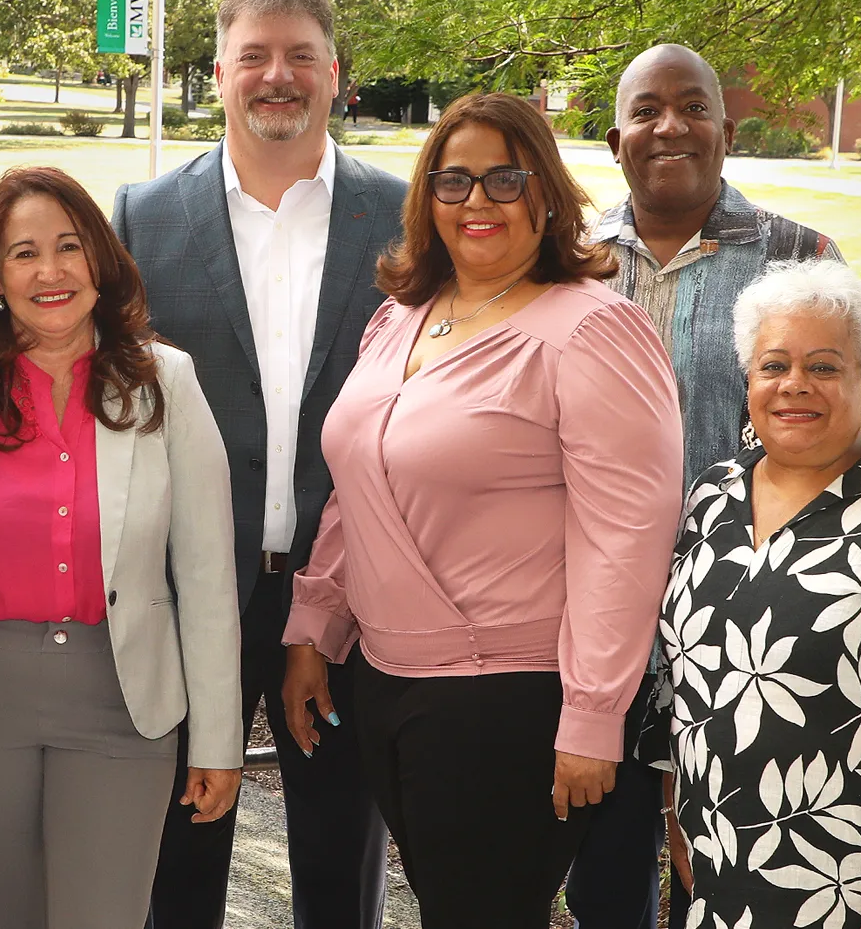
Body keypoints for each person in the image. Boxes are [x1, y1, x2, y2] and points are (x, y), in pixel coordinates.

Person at [279, 91, 683, 928]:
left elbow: (626, 541)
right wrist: (316, 626)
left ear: (547, 196)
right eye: (453, 180)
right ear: (427, 198)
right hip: (386, 685)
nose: (478, 201)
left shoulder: (593, 332)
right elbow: (359, 485)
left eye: (506, 179)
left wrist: (593, 716)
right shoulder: (400, 319)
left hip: (509, 702)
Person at [571, 41, 861, 929]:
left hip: (750, 636)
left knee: (729, 877)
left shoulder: (801, 257)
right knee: (603, 883)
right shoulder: (570, 258)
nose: (669, 126)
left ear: (727, 129)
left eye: (692, 107)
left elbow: (851, 437)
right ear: (615, 140)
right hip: (595, 627)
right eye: (646, 111)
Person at [0, 166, 242, 929]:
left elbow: (207, 572)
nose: (51, 271)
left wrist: (217, 737)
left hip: (122, 699)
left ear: (100, 261)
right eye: (24, 253)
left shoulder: (167, 381)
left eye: (69, 247)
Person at [112, 0, 402, 929]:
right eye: (254, 57)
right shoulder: (143, 218)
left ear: (336, 74)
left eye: (300, 56)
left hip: (353, 590)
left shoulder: (406, 218)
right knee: (179, 862)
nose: (278, 76)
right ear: (220, 72)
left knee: (339, 862)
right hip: (191, 586)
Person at [652, 260, 861, 929]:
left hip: (858, 881)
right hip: (719, 864)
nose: (794, 385)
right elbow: (681, 682)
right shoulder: (711, 499)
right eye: (773, 365)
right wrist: (674, 811)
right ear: (749, 381)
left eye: (823, 367)